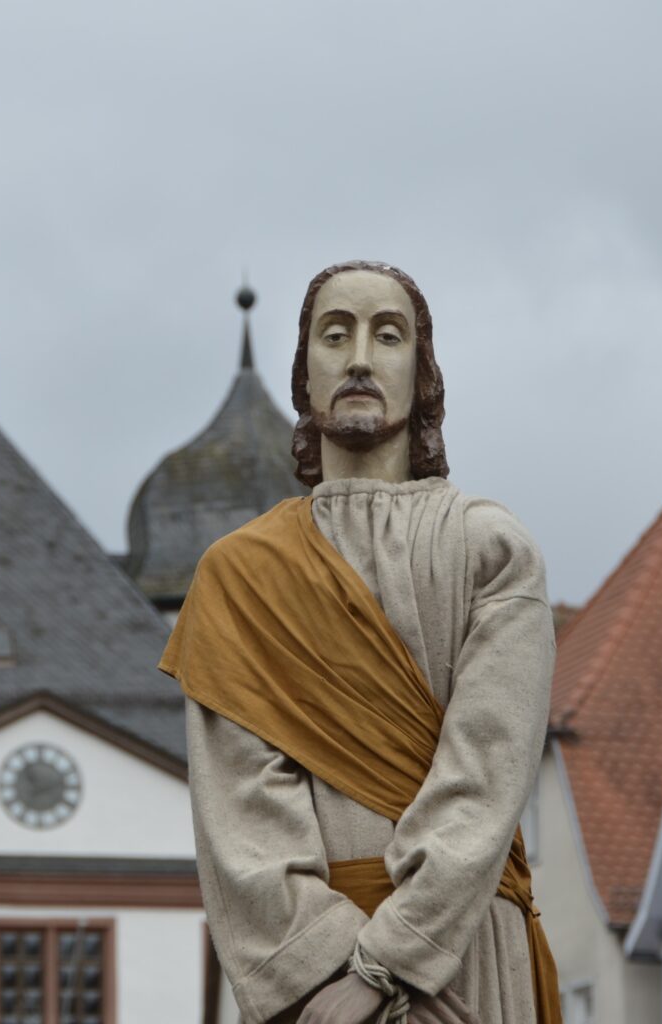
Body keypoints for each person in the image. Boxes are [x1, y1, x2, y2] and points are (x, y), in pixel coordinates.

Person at [160, 262, 559, 1024]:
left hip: (463, 954)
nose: (360, 359)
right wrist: (333, 975)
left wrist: (389, 965)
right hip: (312, 990)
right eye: (335, 335)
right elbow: (246, 824)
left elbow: (486, 776)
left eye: (389, 336)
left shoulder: (491, 550)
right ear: (304, 373)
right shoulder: (240, 578)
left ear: (423, 373)